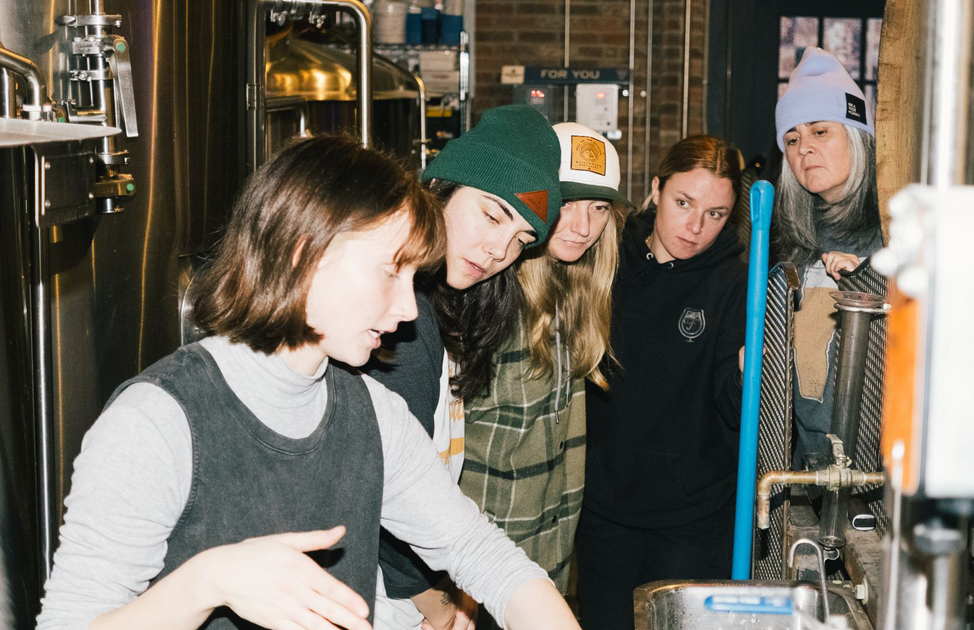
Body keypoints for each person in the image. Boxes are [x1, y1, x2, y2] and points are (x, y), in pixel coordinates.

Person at [36, 136, 580, 630]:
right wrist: (207, 582)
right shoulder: (158, 421)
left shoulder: (373, 413)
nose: (407, 309)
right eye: (390, 272)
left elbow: (482, 554)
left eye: (414, 279)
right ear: (303, 251)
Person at [365, 104, 564, 630]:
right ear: (442, 188)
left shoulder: (448, 307)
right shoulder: (402, 326)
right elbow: (379, 490)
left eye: (523, 240)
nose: (500, 249)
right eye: (493, 214)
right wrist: (435, 601)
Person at [457, 123, 630, 628]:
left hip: (542, 569)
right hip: (475, 577)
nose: (581, 225)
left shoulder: (576, 297)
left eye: (599, 209)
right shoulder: (486, 296)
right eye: (569, 203)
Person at [577, 135, 746, 630]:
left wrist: (748, 372)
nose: (695, 227)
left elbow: (736, 412)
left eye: (715, 214)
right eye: (683, 203)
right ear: (656, 189)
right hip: (605, 511)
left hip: (693, 521)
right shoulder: (607, 260)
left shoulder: (735, 284)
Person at [772, 46, 885, 469]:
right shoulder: (794, 240)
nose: (804, 149)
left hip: (877, 469)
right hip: (807, 464)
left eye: (821, 132)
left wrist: (869, 286)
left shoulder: (893, 233)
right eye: (793, 138)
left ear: (857, 135)